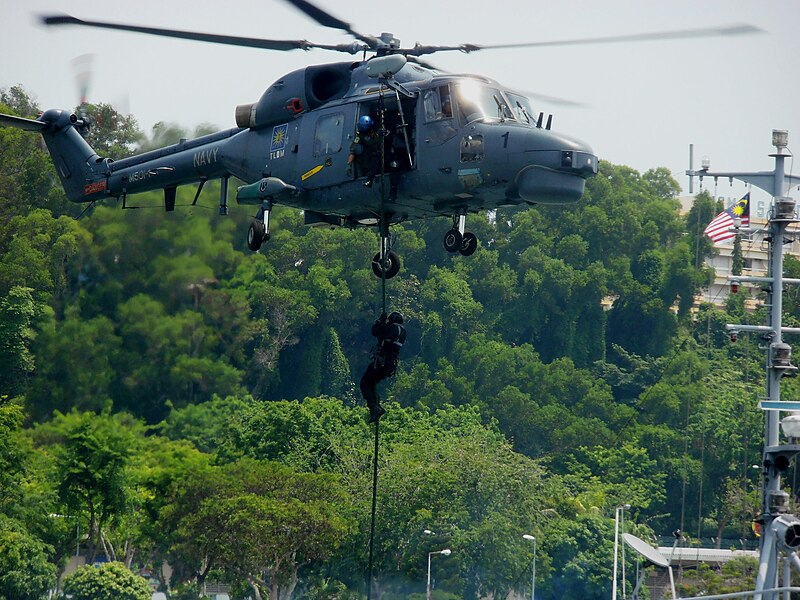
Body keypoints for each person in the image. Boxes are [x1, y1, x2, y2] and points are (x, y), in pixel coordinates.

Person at [360, 311, 406, 423]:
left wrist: (380, 320)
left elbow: (375, 331)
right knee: (372, 383)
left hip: (382, 363)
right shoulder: (403, 332)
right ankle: (376, 407)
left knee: (365, 383)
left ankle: (373, 407)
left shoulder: (391, 328)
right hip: (390, 365)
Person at [347, 115, 382, 187]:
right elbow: (353, 151)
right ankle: (369, 179)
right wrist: (349, 164)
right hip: (372, 157)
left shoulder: (376, 129)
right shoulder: (360, 136)